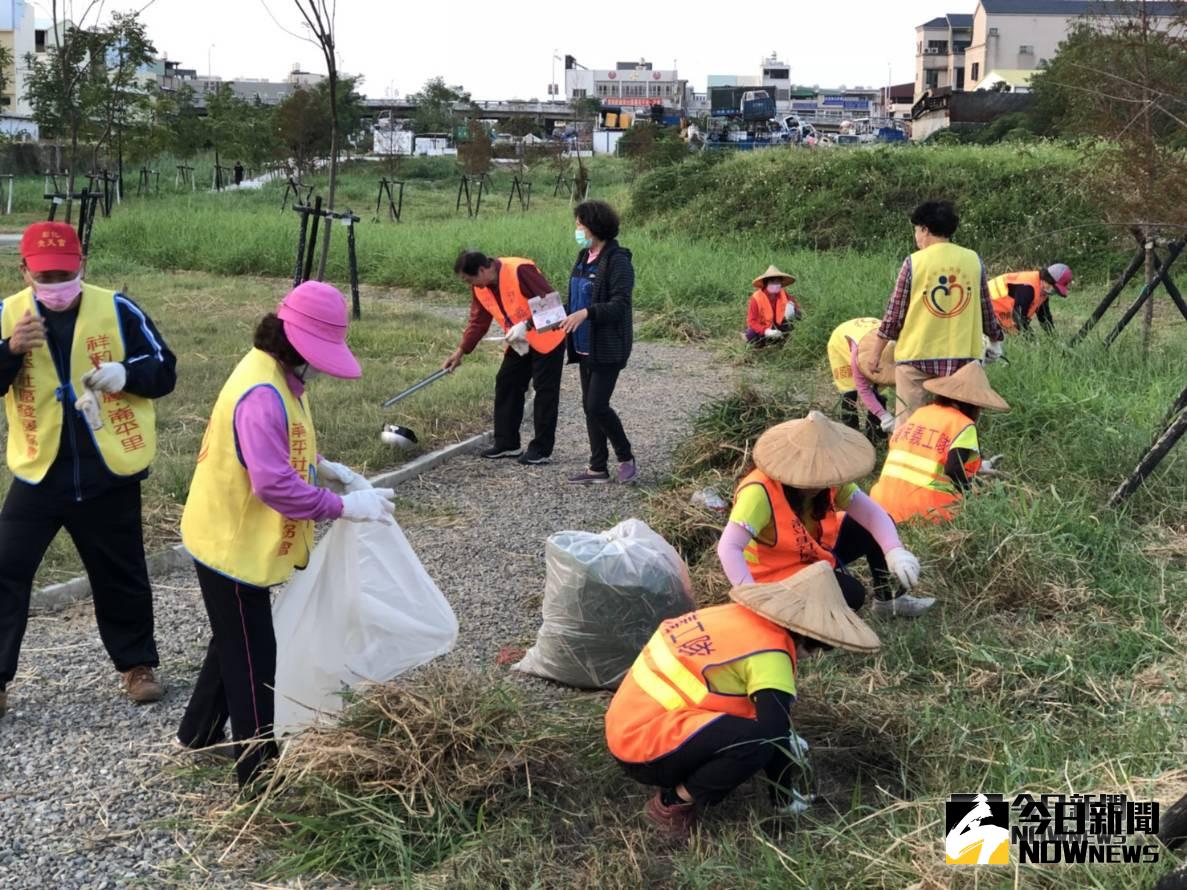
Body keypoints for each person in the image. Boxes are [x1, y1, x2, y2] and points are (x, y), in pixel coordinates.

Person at [177, 281, 396, 789]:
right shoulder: (261, 393)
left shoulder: (275, 374)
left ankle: (198, 732)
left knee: (233, 640)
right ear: (295, 344)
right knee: (254, 657)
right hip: (230, 544)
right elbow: (274, 483)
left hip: (230, 535)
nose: (320, 365)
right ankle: (258, 775)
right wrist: (342, 506)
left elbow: (286, 445)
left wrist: (325, 468)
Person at [0, 222, 176, 718]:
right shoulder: (9, 316)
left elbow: (164, 369)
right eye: (45, 274)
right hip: (40, 470)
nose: (56, 282)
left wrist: (126, 374)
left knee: (120, 571)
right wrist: (9, 352)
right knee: (6, 569)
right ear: (25, 271)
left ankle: (137, 666)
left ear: (83, 265)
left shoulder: (118, 309)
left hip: (108, 467)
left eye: (65, 272)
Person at [605, 560, 881, 837]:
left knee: (758, 732)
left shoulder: (733, 616)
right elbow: (773, 735)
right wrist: (783, 797)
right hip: (642, 750)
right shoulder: (770, 654)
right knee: (756, 742)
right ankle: (671, 803)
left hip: (626, 724)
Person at [716, 411, 933, 617]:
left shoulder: (830, 478)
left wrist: (894, 551)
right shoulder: (759, 491)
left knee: (871, 529)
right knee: (851, 595)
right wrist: (751, 596)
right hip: (776, 575)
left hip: (815, 555)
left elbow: (873, 515)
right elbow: (729, 547)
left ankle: (888, 600)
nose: (817, 483)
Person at [870, 201, 1005, 421]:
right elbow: (986, 309)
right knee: (956, 427)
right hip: (962, 361)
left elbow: (894, 315)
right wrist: (995, 341)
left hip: (916, 358)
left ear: (924, 229)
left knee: (908, 425)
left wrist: (876, 353)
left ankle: (907, 455)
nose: (916, 236)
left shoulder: (913, 262)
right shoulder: (973, 260)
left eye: (916, 230)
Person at [445, 252, 565, 465]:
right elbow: (478, 322)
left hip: (548, 338)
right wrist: (461, 351)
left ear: (482, 270)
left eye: (469, 279)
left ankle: (541, 449)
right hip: (520, 342)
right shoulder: (480, 288)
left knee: (545, 391)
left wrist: (527, 324)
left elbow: (553, 305)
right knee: (507, 382)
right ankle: (507, 443)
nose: (470, 285)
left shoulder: (519, 269)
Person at [870, 362, 1010, 524]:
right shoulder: (962, 424)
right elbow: (953, 469)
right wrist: (972, 495)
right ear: (974, 405)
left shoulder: (921, 413)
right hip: (924, 512)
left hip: (881, 506)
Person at [560, 200, 638, 485]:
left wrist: (586, 313)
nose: (577, 229)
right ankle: (597, 467)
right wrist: (553, 317)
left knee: (596, 405)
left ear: (595, 226)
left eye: (581, 224)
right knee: (587, 404)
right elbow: (577, 299)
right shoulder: (584, 256)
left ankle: (626, 456)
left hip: (608, 345)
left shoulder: (618, 260)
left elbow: (619, 305)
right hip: (583, 344)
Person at [827, 317, 895, 436]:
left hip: (871, 336)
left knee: (880, 393)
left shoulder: (899, 348)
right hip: (841, 341)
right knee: (849, 393)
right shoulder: (858, 356)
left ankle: (875, 435)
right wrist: (885, 417)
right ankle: (850, 433)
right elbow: (863, 389)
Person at [988, 263, 1073, 335]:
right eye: (1054, 290)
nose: (1053, 293)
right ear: (1047, 280)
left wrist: (1052, 336)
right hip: (983, 306)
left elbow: (1044, 317)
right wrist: (1032, 339)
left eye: (1056, 292)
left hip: (996, 314)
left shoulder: (1043, 291)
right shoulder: (1028, 287)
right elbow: (1018, 318)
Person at [744, 265, 802, 347]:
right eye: (773, 281)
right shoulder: (756, 298)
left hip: (779, 324)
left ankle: (780, 340)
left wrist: (792, 307)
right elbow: (752, 321)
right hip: (764, 327)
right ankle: (766, 342)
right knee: (751, 334)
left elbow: (793, 303)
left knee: (798, 315)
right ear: (766, 283)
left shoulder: (782, 293)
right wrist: (766, 331)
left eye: (778, 282)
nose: (776, 284)